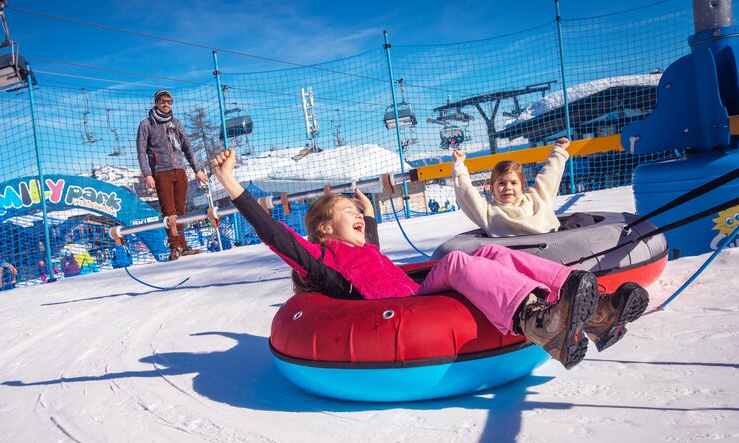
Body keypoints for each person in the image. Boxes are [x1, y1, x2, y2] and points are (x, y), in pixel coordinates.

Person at [212, 148, 649, 369]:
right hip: (400, 309)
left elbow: (374, 247)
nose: (358, 220)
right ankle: (536, 321)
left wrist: (367, 209)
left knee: (489, 250)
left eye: (357, 215)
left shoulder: (364, 250)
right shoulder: (320, 259)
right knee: (460, 262)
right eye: (347, 214)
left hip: (416, 292)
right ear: (324, 229)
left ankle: (594, 310)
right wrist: (231, 184)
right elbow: (273, 233)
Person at [453, 137, 591, 237]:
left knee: (583, 218)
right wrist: (459, 165)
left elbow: (549, 175)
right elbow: (467, 193)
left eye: (514, 183)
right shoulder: (488, 212)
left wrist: (558, 151)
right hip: (520, 256)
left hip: (554, 243)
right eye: (501, 183)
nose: (508, 187)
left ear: (522, 187)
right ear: (492, 189)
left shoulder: (536, 198)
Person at [137, 89, 208, 261]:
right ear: (156, 103)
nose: (166, 104)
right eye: (162, 101)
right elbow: (141, 151)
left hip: (180, 171)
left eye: (169, 102)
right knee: (169, 212)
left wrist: (197, 170)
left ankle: (183, 246)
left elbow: (188, 147)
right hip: (161, 173)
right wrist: (147, 174)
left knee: (181, 211)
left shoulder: (176, 123)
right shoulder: (146, 124)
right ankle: (174, 246)